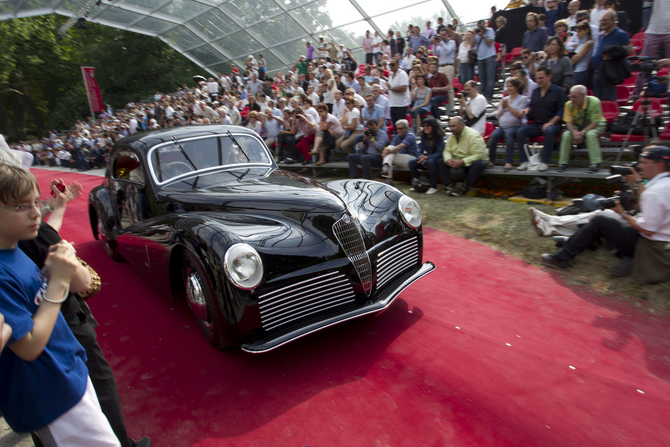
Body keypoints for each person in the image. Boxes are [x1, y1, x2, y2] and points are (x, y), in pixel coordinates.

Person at [0, 164, 120, 446]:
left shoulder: (14, 248)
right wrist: (57, 283)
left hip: (65, 374)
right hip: (50, 390)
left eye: (35, 203)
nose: (34, 213)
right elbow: (28, 346)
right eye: (20, 207)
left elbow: (28, 299)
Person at [541, 146, 670, 285]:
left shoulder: (655, 192)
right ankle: (627, 259)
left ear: (659, 165)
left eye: (644, 162)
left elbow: (648, 230)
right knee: (612, 224)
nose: (639, 166)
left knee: (600, 221)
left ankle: (559, 258)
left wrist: (624, 213)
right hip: (661, 241)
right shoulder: (664, 185)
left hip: (655, 247)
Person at [516, 66, 566, 172]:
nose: (538, 81)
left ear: (549, 77)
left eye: (541, 78)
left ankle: (545, 161)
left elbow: (561, 111)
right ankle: (525, 161)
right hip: (537, 124)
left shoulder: (559, 91)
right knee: (520, 131)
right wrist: (527, 110)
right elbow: (532, 106)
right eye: (537, 78)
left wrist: (550, 123)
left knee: (549, 131)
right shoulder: (536, 91)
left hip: (553, 124)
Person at [557, 85, 606, 173]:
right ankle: (562, 163)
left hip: (596, 124)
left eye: (575, 97)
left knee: (590, 135)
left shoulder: (595, 102)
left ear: (583, 96)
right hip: (577, 126)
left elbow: (595, 122)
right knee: (566, 135)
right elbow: (568, 122)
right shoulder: (568, 104)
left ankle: (595, 163)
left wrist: (582, 133)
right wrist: (574, 132)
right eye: (570, 96)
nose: (572, 99)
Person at [438, 116, 488, 197]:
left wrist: (463, 161)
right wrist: (448, 160)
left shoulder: (473, 135)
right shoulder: (452, 136)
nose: (451, 129)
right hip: (458, 161)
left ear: (461, 125)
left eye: (453, 126)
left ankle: (464, 189)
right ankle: (450, 186)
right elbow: (447, 151)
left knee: (479, 164)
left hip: (472, 161)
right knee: (441, 161)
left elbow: (479, 155)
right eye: (450, 126)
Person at [487, 78, 529, 171]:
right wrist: (502, 108)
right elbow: (498, 115)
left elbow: (518, 114)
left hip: (516, 126)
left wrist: (508, 106)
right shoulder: (504, 99)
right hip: (502, 126)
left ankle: (509, 162)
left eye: (510, 86)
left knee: (508, 135)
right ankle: (491, 160)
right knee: (493, 136)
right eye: (507, 86)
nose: (508, 88)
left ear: (517, 87)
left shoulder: (523, 99)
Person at [592, 10, 632, 101]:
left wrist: (613, 55)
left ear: (614, 20)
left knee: (608, 99)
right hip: (597, 71)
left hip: (608, 72)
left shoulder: (620, 34)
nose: (602, 22)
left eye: (605, 20)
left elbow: (630, 50)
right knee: (598, 101)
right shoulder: (601, 34)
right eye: (601, 20)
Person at [408, 117, 446, 194]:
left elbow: (439, 153)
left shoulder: (439, 136)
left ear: (433, 126)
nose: (425, 128)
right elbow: (419, 150)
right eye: (424, 126)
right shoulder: (424, 136)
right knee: (412, 162)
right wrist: (420, 156)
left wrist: (426, 157)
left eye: (427, 126)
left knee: (430, 162)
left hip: (437, 159)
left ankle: (433, 186)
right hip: (426, 157)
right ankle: (419, 183)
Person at [432, 28, 456, 111]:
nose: (442, 37)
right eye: (440, 35)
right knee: (440, 87)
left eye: (443, 35)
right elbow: (435, 53)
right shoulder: (440, 44)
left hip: (448, 66)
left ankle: (451, 108)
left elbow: (447, 51)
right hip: (441, 66)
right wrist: (435, 44)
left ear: (447, 34)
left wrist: (440, 42)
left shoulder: (452, 42)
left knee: (448, 87)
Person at [565, 21, 594, 88]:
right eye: (577, 32)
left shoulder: (589, 43)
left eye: (579, 31)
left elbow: (576, 59)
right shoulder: (579, 44)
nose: (577, 34)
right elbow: (566, 46)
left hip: (581, 72)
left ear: (586, 30)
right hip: (575, 71)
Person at [474, 19, 497, 101]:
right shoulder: (476, 34)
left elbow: (490, 43)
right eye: (479, 26)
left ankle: (489, 96)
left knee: (490, 77)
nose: (481, 28)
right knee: (482, 77)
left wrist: (483, 35)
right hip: (480, 57)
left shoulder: (490, 30)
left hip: (489, 56)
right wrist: (474, 34)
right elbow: (472, 45)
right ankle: (483, 96)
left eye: (482, 26)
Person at [387, 58, 411, 127]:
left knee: (402, 127)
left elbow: (404, 88)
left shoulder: (402, 74)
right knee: (395, 127)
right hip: (392, 104)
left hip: (401, 105)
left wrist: (391, 88)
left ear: (398, 65)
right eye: (390, 64)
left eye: (392, 64)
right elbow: (391, 89)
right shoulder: (391, 75)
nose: (391, 66)